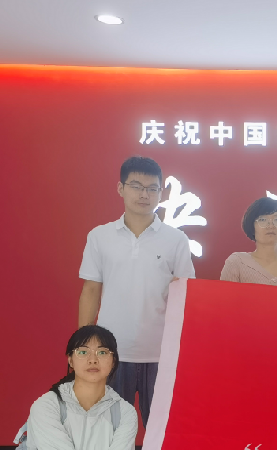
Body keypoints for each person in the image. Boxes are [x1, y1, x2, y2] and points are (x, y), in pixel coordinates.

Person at [78, 156, 195, 424]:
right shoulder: (100, 236)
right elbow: (91, 290)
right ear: (121, 188)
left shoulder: (176, 239)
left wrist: (183, 347)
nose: (144, 195)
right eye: (136, 186)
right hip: (111, 352)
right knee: (110, 429)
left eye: (152, 188)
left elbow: (185, 295)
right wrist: (82, 347)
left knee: (162, 429)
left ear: (160, 193)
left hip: (162, 353)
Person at [220, 197, 277, 286]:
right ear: (252, 226)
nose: (271, 226)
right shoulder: (237, 262)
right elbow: (225, 294)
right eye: (263, 220)